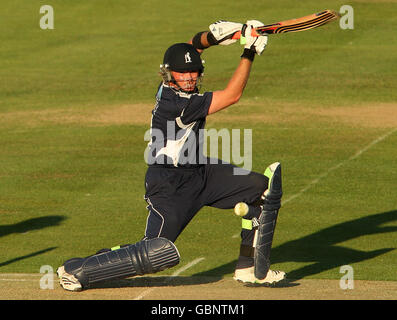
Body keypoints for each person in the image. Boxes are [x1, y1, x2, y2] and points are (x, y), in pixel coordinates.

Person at [57, 20, 286, 291]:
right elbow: (233, 95)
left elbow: (191, 46)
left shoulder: (174, 83)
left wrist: (215, 37)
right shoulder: (179, 104)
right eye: (183, 73)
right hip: (169, 185)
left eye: (193, 72)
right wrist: (248, 50)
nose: (189, 78)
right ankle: (79, 269)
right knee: (155, 252)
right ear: (169, 74)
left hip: (200, 172)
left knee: (260, 189)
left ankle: (249, 268)